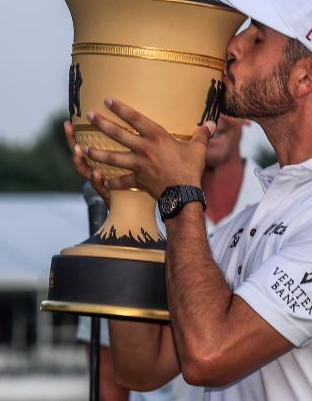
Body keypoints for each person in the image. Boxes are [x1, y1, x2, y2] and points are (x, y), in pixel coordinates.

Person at [68, 0, 312, 400]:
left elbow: (209, 356)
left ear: (306, 76)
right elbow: (141, 366)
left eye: (258, 37)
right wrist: (132, 204)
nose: (232, 47)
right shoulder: (257, 217)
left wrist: (180, 195)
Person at [72, 114, 265, 401]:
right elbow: (114, 375)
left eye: (220, 99)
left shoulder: (277, 203)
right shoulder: (129, 215)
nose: (211, 119)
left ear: (245, 114)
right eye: (196, 96)